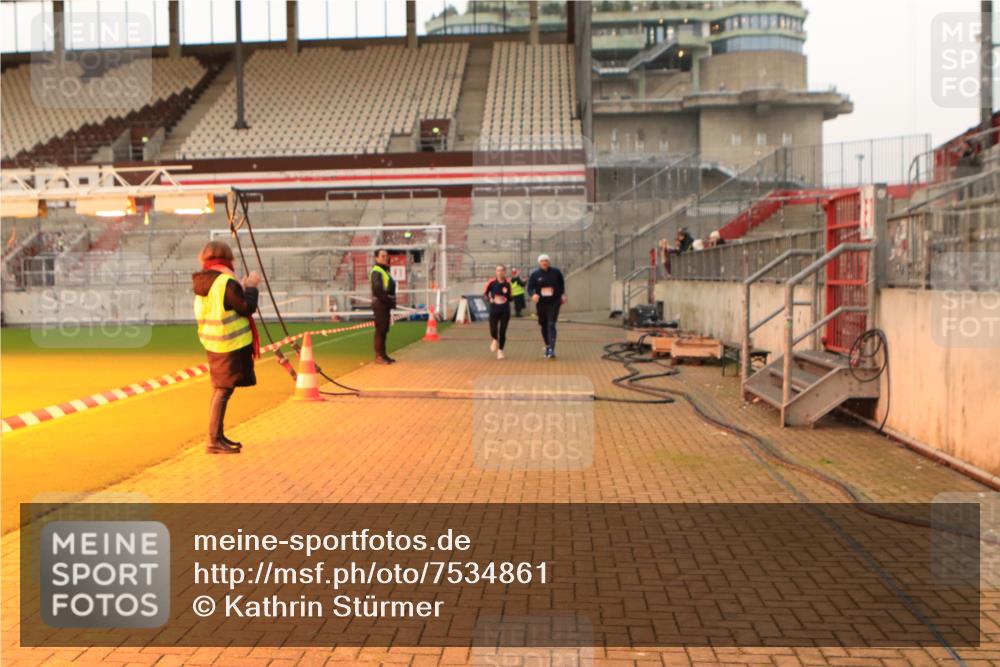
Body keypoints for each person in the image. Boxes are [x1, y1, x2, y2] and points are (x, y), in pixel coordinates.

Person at [192, 241, 260, 455]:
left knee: (221, 390)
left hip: (214, 342)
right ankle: (213, 440)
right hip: (229, 345)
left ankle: (217, 436)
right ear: (227, 258)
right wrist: (251, 287)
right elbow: (246, 307)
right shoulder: (225, 282)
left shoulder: (205, 281)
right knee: (223, 391)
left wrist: (240, 289)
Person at [527, 253, 566, 359]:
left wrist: (562, 294)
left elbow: (562, 284)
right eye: (542, 261)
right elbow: (530, 288)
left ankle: (552, 350)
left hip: (554, 302)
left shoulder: (556, 272)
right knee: (544, 325)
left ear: (549, 262)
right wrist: (533, 294)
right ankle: (548, 346)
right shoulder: (535, 274)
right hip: (542, 304)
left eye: (546, 261)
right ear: (539, 263)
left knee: (551, 324)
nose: (544, 262)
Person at [370, 248, 397, 364]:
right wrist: (387, 301)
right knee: (380, 330)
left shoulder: (384, 271)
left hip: (384, 304)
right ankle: (379, 356)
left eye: (386, 256)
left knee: (384, 330)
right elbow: (377, 290)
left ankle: (383, 355)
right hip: (381, 304)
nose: (385, 258)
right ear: (376, 258)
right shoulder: (377, 271)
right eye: (382, 256)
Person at [484, 264, 513, 360]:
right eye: (498, 270)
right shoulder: (491, 282)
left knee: (503, 331)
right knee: (493, 329)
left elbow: (511, 298)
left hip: (505, 310)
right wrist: (489, 299)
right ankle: (494, 339)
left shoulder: (508, 283)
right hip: (494, 309)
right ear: (496, 272)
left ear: (505, 272)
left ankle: (500, 351)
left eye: (501, 270)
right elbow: (484, 294)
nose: (499, 272)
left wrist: (506, 294)